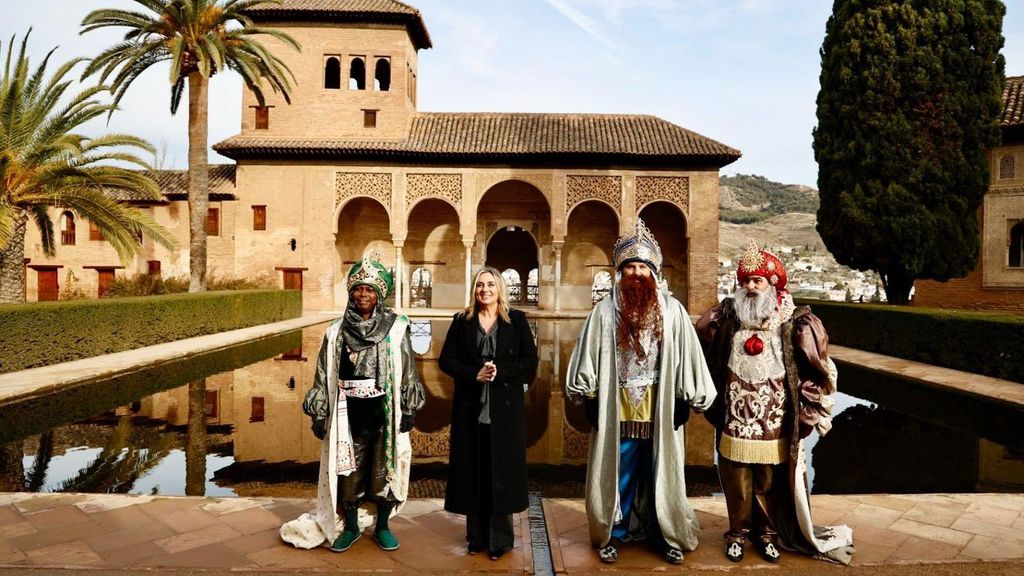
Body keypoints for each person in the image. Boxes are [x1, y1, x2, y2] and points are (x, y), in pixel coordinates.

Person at [565, 218, 717, 565]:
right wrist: (589, 397)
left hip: (660, 406)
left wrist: (684, 398)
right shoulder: (604, 312)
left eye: (642, 267)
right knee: (620, 473)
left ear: (654, 272)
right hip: (616, 407)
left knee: (660, 471)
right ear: (620, 272)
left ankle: (663, 533)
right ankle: (613, 534)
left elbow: (689, 358)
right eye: (630, 267)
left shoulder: (673, 312)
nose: (636, 273)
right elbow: (587, 357)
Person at [696, 240, 854, 565]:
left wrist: (811, 410)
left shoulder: (793, 321)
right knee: (735, 476)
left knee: (767, 478)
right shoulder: (727, 318)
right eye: (746, 281)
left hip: (773, 418)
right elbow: (705, 351)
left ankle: (766, 535)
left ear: (773, 285)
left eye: (758, 281)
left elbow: (815, 367)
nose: (751, 287)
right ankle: (737, 533)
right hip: (735, 417)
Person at [283, 254, 425, 552]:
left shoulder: (397, 327)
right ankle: (349, 527)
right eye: (358, 288)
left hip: (385, 411)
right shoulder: (335, 331)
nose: (363, 294)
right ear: (351, 292)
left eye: (370, 289)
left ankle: (383, 526)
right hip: (348, 412)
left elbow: (409, 369)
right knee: (347, 469)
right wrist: (319, 414)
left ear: (379, 295)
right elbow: (322, 372)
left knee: (385, 469)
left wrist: (408, 409)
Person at [440, 266, 538, 561]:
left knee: (500, 473)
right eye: (480, 285)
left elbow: (530, 361)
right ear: (475, 289)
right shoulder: (462, 321)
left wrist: (500, 372)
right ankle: (476, 538)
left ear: (499, 290)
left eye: (490, 285)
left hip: (504, 412)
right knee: (474, 471)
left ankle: (500, 541)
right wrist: (474, 374)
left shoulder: (516, 320)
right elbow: (446, 360)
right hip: (471, 410)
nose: (485, 290)